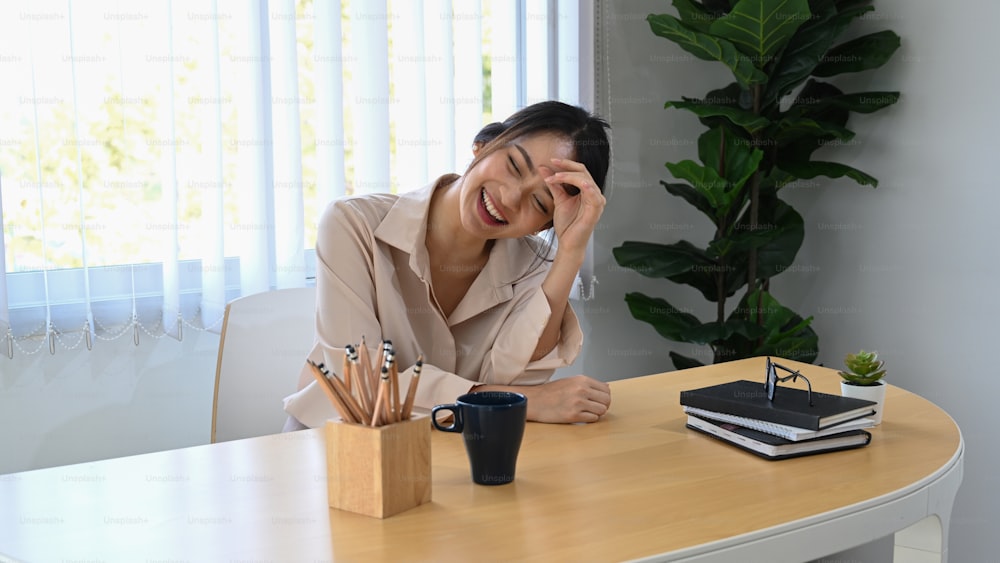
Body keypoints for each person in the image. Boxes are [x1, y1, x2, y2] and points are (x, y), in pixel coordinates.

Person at [283, 101, 612, 429]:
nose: (510, 198)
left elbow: (518, 376)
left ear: (543, 224)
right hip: (337, 444)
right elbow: (361, 387)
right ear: (483, 145)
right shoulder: (353, 225)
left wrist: (571, 250)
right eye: (514, 165)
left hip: (455, 448)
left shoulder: (535, 265)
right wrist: (522, 403)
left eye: (540, 202)